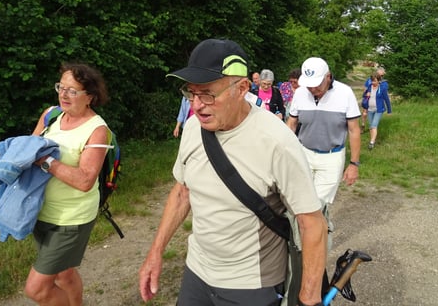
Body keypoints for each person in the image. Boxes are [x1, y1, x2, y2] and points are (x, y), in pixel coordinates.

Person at [139, 39, 327, 306]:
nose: (196, 105)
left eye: (208, 94)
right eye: (191, 93)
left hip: (251, 284)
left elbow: (312, 223)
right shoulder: (193, 128)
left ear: (241, 89)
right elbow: (182, 193)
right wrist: (155, 252)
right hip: (197, 273)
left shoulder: (277, 142)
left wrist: (309, 298)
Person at [0, 63, 109, 306]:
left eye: (72, 91)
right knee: (64, 274)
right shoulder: (51, 115)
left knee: (36, 290)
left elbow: (85, 180)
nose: (64, 95)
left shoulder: (97, 130)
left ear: (90, 97)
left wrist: (45, 161)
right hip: (41, 210)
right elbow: (25, 151)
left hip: (71, 219)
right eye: (61, 87)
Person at [286, 57, 361, 209]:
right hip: (304, 153)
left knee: (317, 205)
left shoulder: (345, 93)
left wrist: (354, 164)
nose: (312, 89)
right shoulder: (300, 93)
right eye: (309, 85)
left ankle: (319, 223)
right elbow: (291, 124)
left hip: (331, 157)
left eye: (316, 84)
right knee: (299, 201)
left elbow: (354, 130)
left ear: (328, 77)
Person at [362, 72, 392, 150]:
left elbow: (387, 100)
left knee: (374, 125)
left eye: (374, 81)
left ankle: (371, 142)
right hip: (370, 109)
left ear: (379, 81)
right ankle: (372, 140)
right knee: (370, 126)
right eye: (372, 80)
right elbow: (364, 96)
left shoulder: (382, 89)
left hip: (378, 110)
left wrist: (389, 111)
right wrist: (366, 94)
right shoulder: (369, 87)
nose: (373, 82)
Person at [361, 67, 387, 133]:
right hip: (368, 98)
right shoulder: (369, 80)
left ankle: (373, 128)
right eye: (380, 75)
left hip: (376, 102)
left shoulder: (383, 82)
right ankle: (363, 125)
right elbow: (365, 88)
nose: (381, 76)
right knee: (364, 113)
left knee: (372, 115)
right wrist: (366, 95)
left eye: (382, 75)